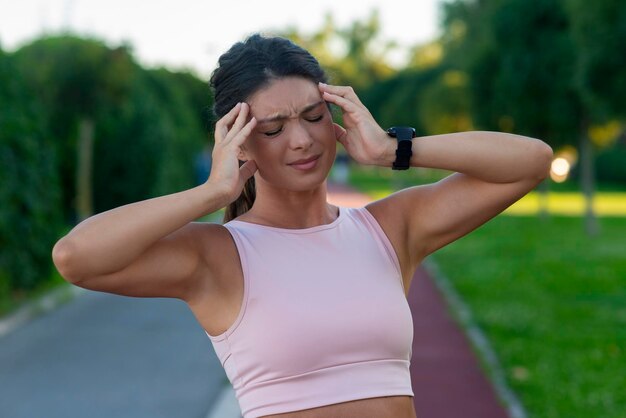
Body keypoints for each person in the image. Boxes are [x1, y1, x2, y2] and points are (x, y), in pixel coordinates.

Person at [51, 33, 553, 418]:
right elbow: (76, 256)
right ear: (240, 141)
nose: (301, 141)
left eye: (314, 117)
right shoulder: (218, 256)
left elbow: (531, 161)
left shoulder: (388, 229)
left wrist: (393, 149)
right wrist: (211, 191)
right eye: (273, 129)